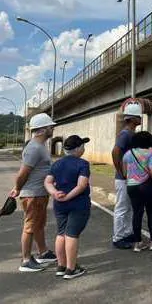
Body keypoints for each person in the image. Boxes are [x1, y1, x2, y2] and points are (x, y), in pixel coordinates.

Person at [9, 113, 57, 272]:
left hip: (39, 194)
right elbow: (23, 173)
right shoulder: (34, 148)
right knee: (30, 226)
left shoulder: (39, 146)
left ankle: (42, 252)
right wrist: (17, 188)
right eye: (50, 126)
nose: (53, 128)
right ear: (42, 130)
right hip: (33, 194)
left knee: (38, 225)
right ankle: (26, 260)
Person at [44, 135, 91, 279]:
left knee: (61, 233)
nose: (84, 148)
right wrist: (69, 197)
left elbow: (48, 182)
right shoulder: (82, 164)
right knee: (72, 234)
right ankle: (71, 269)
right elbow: (82, 185)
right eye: (82, 145)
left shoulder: (57, 164)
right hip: (78, 204)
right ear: (77, 149)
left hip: (60, 205)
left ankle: (61, 266)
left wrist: (55, 194)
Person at [123, 131, 152, 252]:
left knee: (137, 213)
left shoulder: (128, 154)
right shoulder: (150, 154)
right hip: (147, 186)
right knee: (151, 212)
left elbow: (125, 172)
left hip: (132, 186)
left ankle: (138, 243)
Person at [111, 102, 142, 249]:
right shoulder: (125, 134)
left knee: (129, 207)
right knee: (122, 208)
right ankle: (118, 237)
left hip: (131, 178)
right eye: (138, 116)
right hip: (124, 179)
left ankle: (127, 233)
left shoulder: (131, 134)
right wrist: (121, 171)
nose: (140, 119)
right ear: (132, 118)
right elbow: (115, 151)